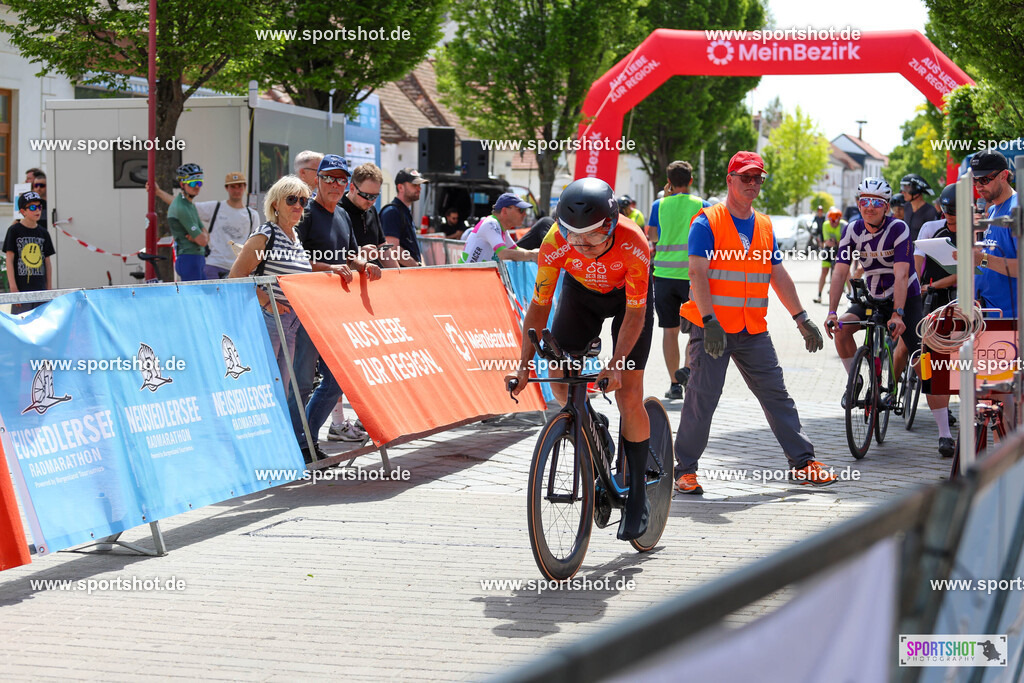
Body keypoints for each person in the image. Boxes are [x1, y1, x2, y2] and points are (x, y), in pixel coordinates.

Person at [674, 151, 830, 496]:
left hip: (752, 328)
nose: (752, 184)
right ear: (729, 179)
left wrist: (801, 318)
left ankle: (804, 464)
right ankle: (684, 470)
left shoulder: (764, 225)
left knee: (777, 395)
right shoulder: (706, 222)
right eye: (745, 177)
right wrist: (710, 319)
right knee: (703, 397)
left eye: (758, 178)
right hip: (713, 329)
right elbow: (697, 272)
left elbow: (778, 274)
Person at [508, 177, 654, 541]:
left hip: (627, 303)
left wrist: (617, 364)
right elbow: (539, 306)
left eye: (591, 237)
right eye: (574, 236)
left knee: (629, 394)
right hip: (581, 295)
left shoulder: (634, 243)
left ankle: (637, 494)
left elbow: (635, 314)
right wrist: (523, 366)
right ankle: (593, 426)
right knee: (559, 379)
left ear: (610, 224)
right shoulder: (555, 242)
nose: (582, 245)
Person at [295, 154, 383, 457]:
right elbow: (291, 261)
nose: (334, 184)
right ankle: (301, 445)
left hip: (335, 313)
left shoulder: (343, 215)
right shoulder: (304, 214)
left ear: (347, 184)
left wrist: (364, 265)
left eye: (340, 179)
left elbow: (351, 255)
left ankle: (305, 441)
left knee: (336, 382)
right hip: (304, 310)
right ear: (317, 179)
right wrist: (326, 269)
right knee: (303, 381)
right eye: (328, 178)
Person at [227, 175, 315, 458]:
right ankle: (255, 453)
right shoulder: (267, 233)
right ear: (275, 204)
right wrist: (268, 302)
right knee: (264, 388)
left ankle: (271, 452)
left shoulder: (294, 236)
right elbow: (236, 276)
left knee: (280, 390)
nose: (298, 206)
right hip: (268, 322)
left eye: (303, 200)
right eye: (292, 199)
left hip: (288, 324)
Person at [826, 177, 923, 402]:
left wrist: (898, 313)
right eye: (865, 201)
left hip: (905, 296)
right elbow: (840, 272)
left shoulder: (898, 228)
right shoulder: (851, 230)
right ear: (859, 204)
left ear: (887, 207)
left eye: (877, 202)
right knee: (841, 330)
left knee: (919, 352)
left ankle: (940, 413)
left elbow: (901, 274)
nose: (870, 207)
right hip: (874, 295)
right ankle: (855, 380)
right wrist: (831, 311)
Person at [651, 160, 710, 400]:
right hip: (690, 277)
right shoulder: (702, 205)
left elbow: (654, 237)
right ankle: (687, 370)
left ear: (669, 181)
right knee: (695, 329)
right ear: (691, 181)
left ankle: (674, 383)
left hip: (663, 276)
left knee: (670, 331)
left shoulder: (659, 205)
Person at [915, 183, 959, 457]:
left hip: (967, 302)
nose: (951, 216)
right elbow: (917, 264)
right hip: (934, 304)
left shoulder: (977, 229)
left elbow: (973, 269)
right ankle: (944, 433)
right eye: (947, 210)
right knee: (933, 366)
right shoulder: (931, 228)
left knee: (968, 367)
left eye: (957, 211)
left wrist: (935, 284)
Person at [971, 148, 1018, 318]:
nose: (978, 186)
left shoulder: (1017, 210)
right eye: (975, 180)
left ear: (1004, 176)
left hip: (1011, 320)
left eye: (984, 179)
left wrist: (982, 259)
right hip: (988, 314)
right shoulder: (991, 212)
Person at [194, 173, 259, 279]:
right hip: (214, 265)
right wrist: (159, 193)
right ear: (226, 188)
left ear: (245, 187)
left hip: (239, 268)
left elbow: (255, 245)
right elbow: (186, 209)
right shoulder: (216, 207)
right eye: (233, 186)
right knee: (213, 296)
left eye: (240, 186)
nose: (236, 190)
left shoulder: (252, 215)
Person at [3, 191, 54, 314]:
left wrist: (49, 289)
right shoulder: (14, 231)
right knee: (21, 325)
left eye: (39, 207)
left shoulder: (44, 232)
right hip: (21, 290)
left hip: (40, 290)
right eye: (32, 207)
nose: (37, 210)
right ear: (23, 211)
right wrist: (13, 288)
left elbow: (47, 262)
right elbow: (9, 260)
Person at [460, 193, 538, 263]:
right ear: (504, 211)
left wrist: (536, 254)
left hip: (474, 275)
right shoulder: (490, 223)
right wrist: (532, 255)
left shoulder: (501, 228)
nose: (525, 214)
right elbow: (503, 254)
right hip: (466, 275)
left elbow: (515, 249)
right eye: (521, 210)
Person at [167, 163, 209, 281]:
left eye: (199, 183)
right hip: (189, 259)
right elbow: (203, 240)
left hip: (196, 259)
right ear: (182, 184)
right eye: (192, 183)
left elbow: (204, 235)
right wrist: (202, 236)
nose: (197, 186)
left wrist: (201, 235)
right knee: (196, 297)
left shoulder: (189, 204)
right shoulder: (182, 208)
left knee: (205, 296)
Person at [381, 168, 428, 267]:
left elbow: (414, 249)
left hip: (410, 275)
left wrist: (422, 267)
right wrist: (417, 266)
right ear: (400, 187)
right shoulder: (392, 212)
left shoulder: (404, 211)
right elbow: (393, 249)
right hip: (400, 277)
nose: (419, 188)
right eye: (414, 185)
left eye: (419, 185)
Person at [813, 207, 845, 304]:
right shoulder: (826, 224)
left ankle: (840, 293)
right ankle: (819, 295)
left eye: (835, 221)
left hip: (840, 250)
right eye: (831, 220)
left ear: (839, 219)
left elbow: (842, 243)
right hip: (828, 249)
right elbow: (828, 242)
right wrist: (836, 242)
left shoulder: (844, 225)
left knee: (838, 272)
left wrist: (835, 242)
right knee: (824, 271)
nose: (832, 223)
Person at [901, 173, 938, 242]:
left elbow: (932, 238)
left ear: (916, 190)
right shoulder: (906, 207)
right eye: (902, 187)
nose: (903, 192)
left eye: (906, 188)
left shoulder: (930, 211)